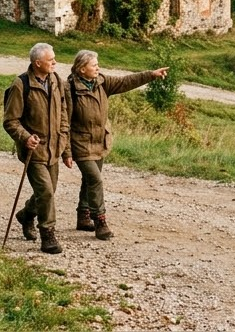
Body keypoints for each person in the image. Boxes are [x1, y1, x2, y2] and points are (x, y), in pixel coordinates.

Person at [67, 49, 168, 240]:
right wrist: (66, 151)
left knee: (89, 180)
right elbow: (63, 121)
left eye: (98, 64)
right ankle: (100, 222)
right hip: (80, 144)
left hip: (99, 141)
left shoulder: (102, 82)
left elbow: (125, 82)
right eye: (94, 65)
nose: (98, 67)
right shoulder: (69, 89)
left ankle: (83, 216)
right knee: (95, 180)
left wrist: (151, 75)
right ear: (81, 69)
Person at [3, 42, 73, 254]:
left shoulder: (56, 81)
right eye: (51, 60)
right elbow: (10, 121)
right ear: (37, 63)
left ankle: (26, 215)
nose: (55, 62)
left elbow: (63, 117)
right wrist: (25, 138)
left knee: (47, 192)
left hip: (55, 149)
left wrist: (66, 150)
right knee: (46, 192)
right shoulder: (20, 85)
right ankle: (48, 234)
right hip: (34, 151)